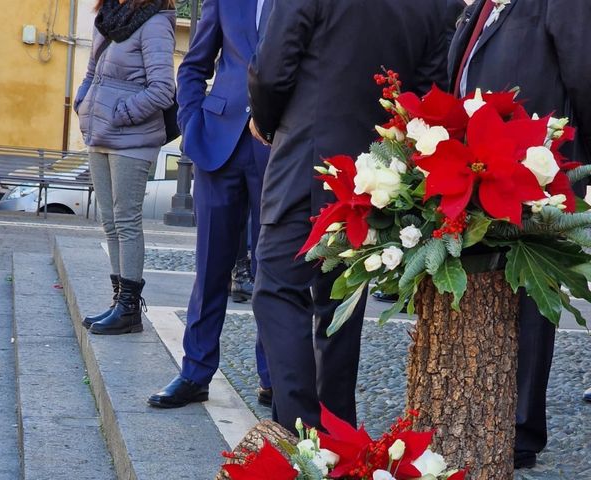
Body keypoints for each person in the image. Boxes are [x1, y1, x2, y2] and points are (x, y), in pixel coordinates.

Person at [248, 0, 447, 431]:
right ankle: (338, 437)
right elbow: (429, 96)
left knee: (279, 291)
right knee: (342, 303)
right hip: (379, 172)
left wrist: (265, 125)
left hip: (308, 159)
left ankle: (304, 438)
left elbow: (271, 68)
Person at [448, 0, 591, 469]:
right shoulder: (484, 6)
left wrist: (576, 167)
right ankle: (482, 409)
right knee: (494, 290)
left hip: (540, 167)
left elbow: (583, 73)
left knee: (532, 296)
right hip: (482, 165)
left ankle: (521, 427)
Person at [147, 0, 274, 409]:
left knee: (272, 268)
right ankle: (195, 372)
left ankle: (274, 377)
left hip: (277, 148)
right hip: (218, 141)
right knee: (210, 266)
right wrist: (191, 120)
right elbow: (194, 65)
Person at [74, 0, 176, 335]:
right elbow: (92, 73)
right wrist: (84, 103)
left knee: (127, 220)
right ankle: (118, 300)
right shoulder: (106, 19)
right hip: (99, 134)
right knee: (110, 222)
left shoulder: (156, 22)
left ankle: (130, 308)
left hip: (131, 139)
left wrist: (121, 114)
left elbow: (163, 90)